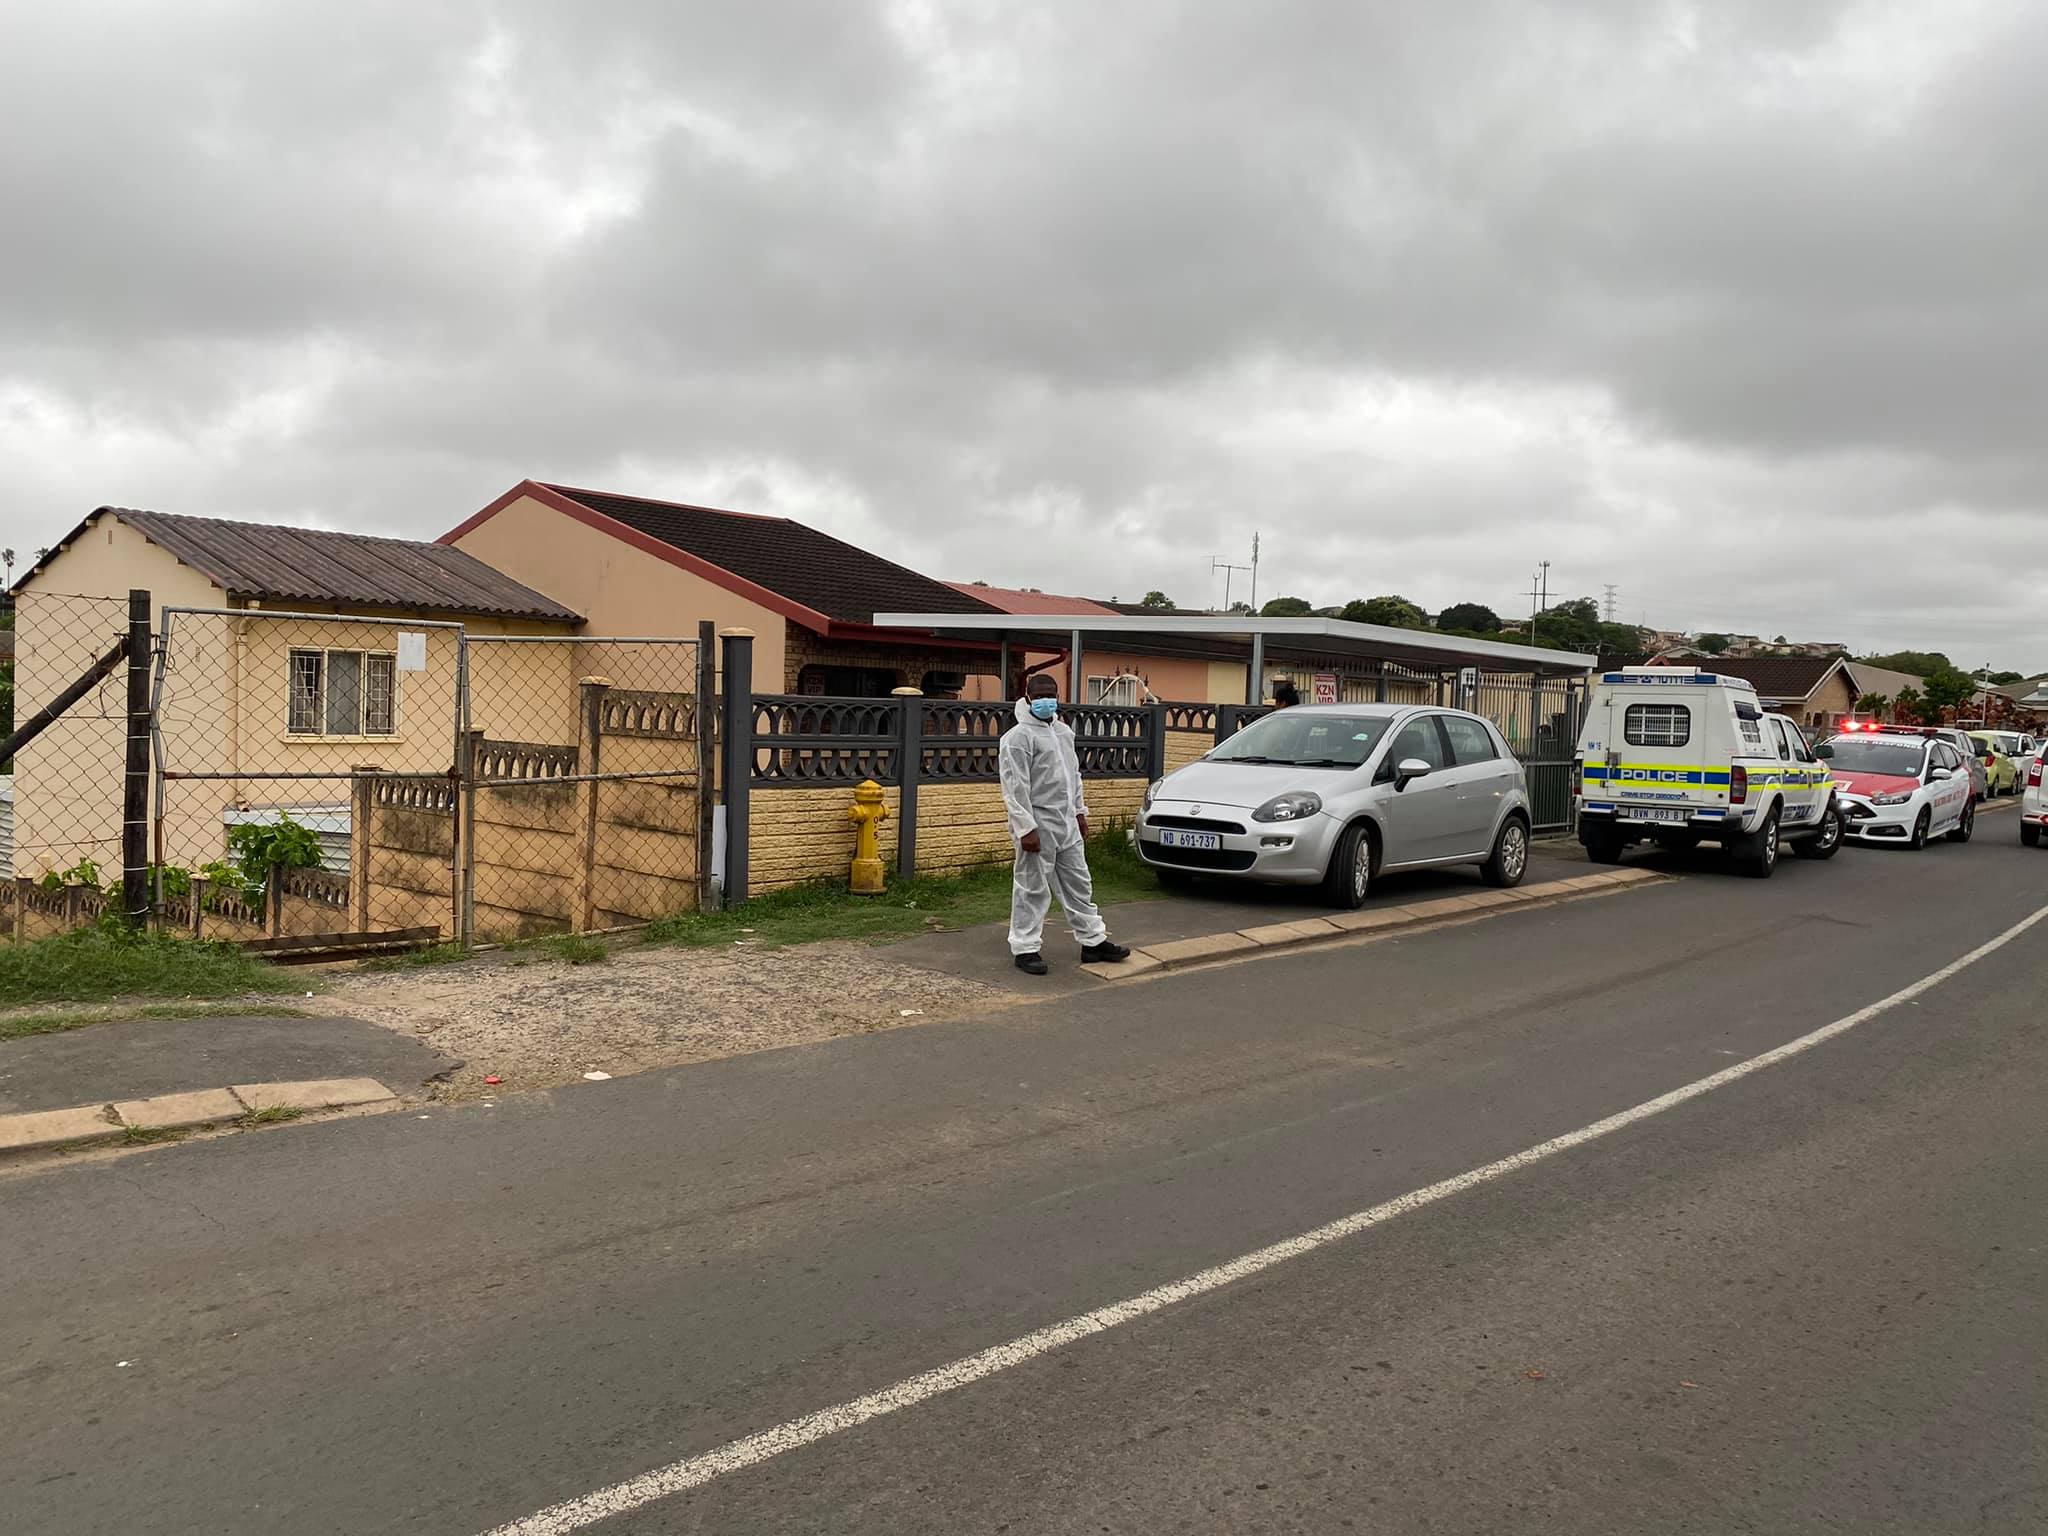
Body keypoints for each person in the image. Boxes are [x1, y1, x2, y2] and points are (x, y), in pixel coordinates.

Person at [999, 676, 1132, 975]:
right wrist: (1025, 828)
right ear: (1028, 696)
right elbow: (1014, 786)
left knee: (1079, 883)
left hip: (1067, 822)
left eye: (1051, 694)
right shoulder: (1018, 738)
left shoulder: (1062, 731)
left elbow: (1073, 776)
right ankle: (1025, 947)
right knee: (1032, 887)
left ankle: (1093, 941)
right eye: (1041, 695)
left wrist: (1079, 812)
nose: (1047, 700)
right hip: (1039, 823)